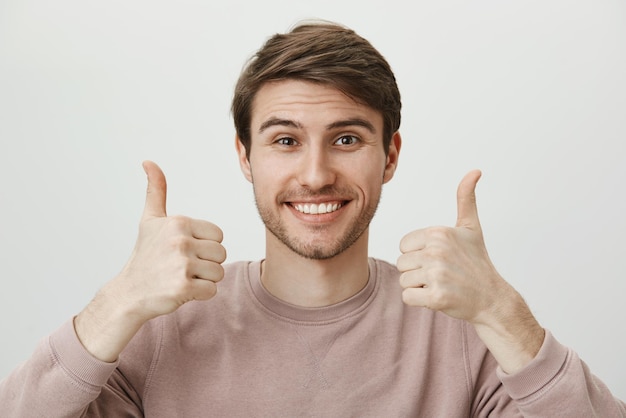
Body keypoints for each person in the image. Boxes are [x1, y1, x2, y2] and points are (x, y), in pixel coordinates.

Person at [1, 20, 624, 418]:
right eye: (285, 141)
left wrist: (502, 314)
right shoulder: (163, 329)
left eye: (347, 139)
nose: (317, 174)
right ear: (245, 156)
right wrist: (116, 305)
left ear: (391, 156)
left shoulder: (465, 334)